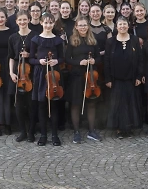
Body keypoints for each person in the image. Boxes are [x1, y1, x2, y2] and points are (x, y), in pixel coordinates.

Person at [29, 13, 65, 146]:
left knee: (54, 104)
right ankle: (43, 135)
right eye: (46, 22)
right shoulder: (35, 40)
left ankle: (55, 135)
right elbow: (31, 58)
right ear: (41, 23)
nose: (48, 25)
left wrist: (56, 60)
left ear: (54, 23)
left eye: (50, 23)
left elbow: (62, 58)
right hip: (40, 74)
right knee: (42, 105)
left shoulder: (58, 40)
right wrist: (40, 61)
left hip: (54, 74)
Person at [104, 16, 143, 138]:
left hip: (131, 78)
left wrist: (138, 76)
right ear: (116, 27)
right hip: (115, 79)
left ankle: (129, 128)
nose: (122, 26)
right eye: (120, 24)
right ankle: (119, 129)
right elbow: (106, 61)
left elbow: (140, 59)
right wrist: (108, 79)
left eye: (124, 24)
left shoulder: (135, 40)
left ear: (128, 26)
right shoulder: (110, 41)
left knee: (130, 103)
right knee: (118, 104)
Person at [65, 18, 102, 143]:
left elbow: (99, 58)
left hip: (91, 76)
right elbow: (67, 59)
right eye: (80, 25)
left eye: (85, 25)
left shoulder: (93, 40)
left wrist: (94, 61)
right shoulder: (72, 41)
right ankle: (76, 132)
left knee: (91, 103)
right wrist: (78, 62)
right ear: (76, 26)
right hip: (76, 76)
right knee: (76, 104)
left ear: (88, 26)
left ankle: (92, 131)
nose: (83, 27)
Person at [8, 12, 34, 142]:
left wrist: (29, 55)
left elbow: (37, 56)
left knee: (31, 105)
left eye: (25, 19)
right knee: (18, 105)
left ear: (29, 20)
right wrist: (11, 73)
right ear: (16, 22)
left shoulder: (34, 36)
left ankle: (31, 132)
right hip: (17, 72)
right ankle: (23, 131)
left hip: (30, 73)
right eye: (20, 20)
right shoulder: (13, 37)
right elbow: (11, 57)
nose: (22, 22)